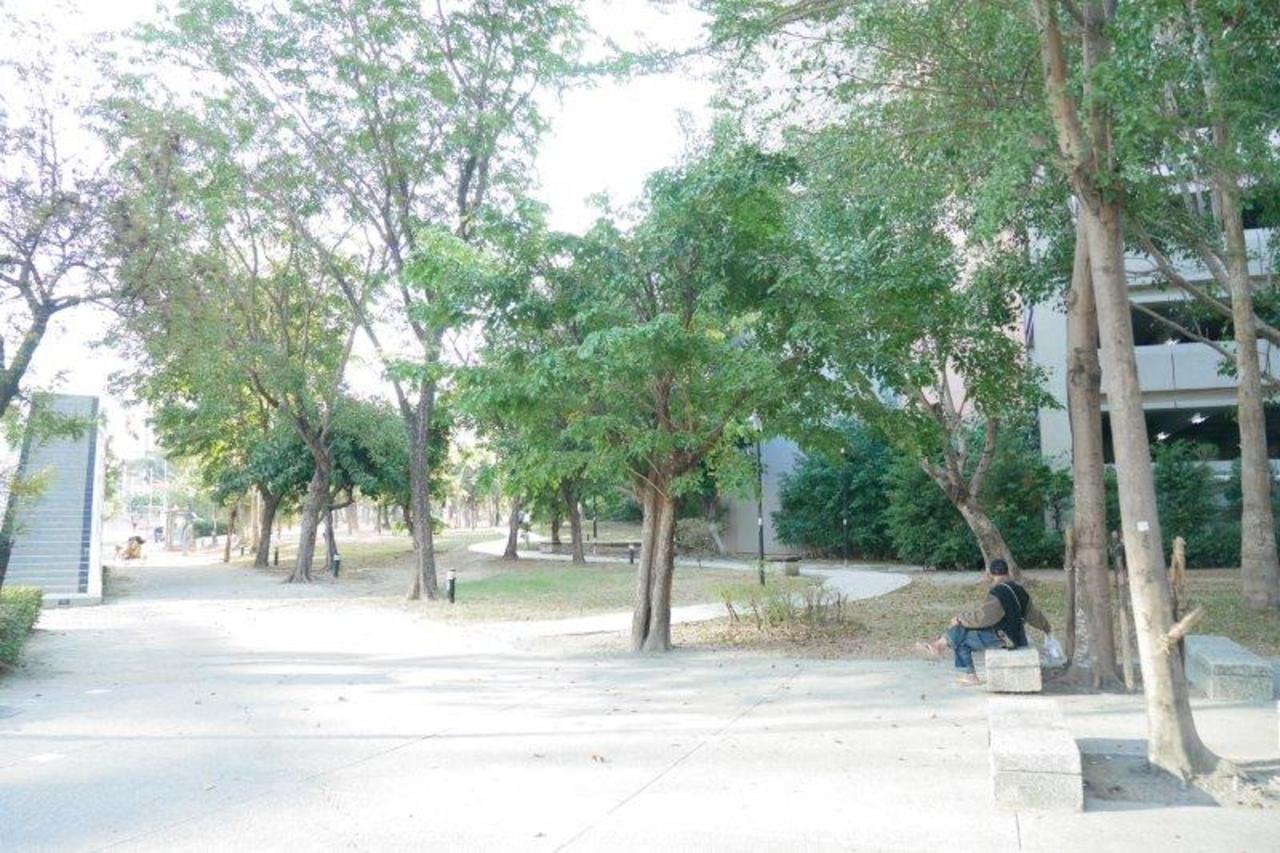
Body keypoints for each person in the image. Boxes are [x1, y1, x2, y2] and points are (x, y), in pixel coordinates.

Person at [916, 558, 1053, 686]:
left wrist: (960, 619)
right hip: (1018, 637)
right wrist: (1047, 628)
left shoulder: (998, 592)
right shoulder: (1020, 591)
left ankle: (965, 671)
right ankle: (940, 644)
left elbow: (983, 618)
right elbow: (1035, 615)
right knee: (960, 631)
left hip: (1004, 638)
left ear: (990, 574)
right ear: (1008, 572)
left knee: (959, 638)